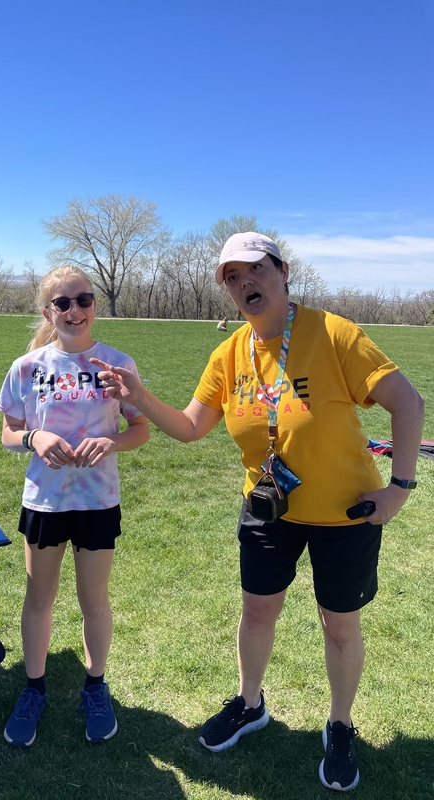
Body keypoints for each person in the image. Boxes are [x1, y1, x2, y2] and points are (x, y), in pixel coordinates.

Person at [91, 232, 425, 792]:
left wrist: (400, 488)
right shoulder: (231, 352)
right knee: (258, 611)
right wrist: (141, 397)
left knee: (339, 625)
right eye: (231, 277)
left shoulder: (334, 333)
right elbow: (193, 427)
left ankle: (340, 725)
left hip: (347, 513)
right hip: (268, 510)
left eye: (254, 270)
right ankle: (250, 703)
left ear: (282, 271)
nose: (244, 283)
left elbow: (408, 402)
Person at [0, 265, 149, 747]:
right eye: (63, 303)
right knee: (39, 598)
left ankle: (95, 687)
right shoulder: (27, 367)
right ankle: (35, 690)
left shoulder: (117, 364)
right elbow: (8, 434)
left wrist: (111, 444)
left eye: (83, 300)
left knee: (93, 601)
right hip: (45, 501)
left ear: (95, 306)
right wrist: (34, 436)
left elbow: (140, 429)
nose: (74, 310)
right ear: (48, 312)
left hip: (98, 502)